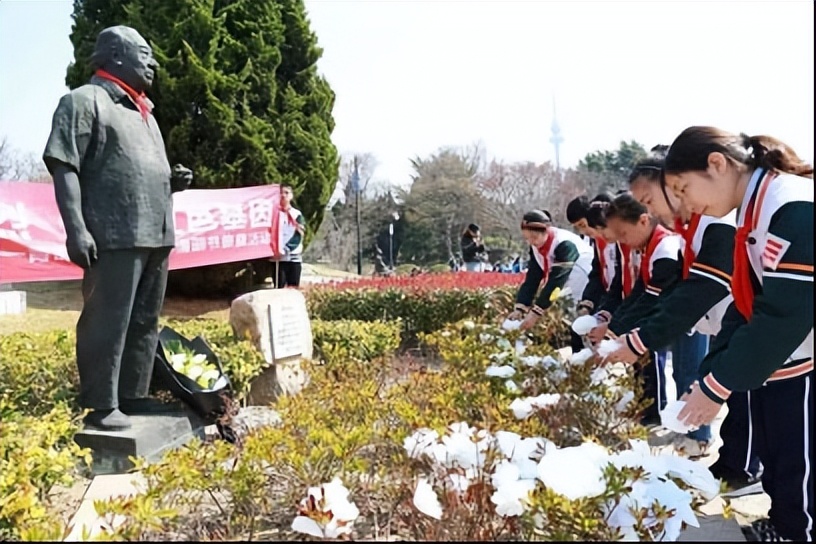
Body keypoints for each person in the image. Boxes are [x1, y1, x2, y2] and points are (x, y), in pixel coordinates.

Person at [663, 126, 813, 542]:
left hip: (799, 353)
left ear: (717, 164)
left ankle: (799, 532)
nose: (685, 205)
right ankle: (784, 524)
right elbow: (746, 304)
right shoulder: (756, 210)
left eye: (683, 189)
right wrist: (709, 379)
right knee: (776, 451)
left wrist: (716, 385)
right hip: (786, 356)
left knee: (797, 460)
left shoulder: (791, 205)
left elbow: (783, 316)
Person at [42, 26, 193, 431]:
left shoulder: (145, 114)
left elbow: (136, 169)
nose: (153, 62)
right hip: (113, 234)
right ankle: (101, 404)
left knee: (144, 320)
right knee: (107, 320)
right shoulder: (83, 101)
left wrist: (171, 181)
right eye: (144, 53)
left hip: (155, 232)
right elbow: (64, 165)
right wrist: (76, 229)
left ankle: (132, 395)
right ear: (115, 55)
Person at [602, 149, 762, 477]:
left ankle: (744, 470)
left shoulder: (715, 219)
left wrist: (638, 339)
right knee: (735, 398)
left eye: (649, 200)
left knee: (754, 405)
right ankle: (737, 464)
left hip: (762, 329)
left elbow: (703, 288)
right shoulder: (693, 226)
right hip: (729, 324)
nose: (650, 212)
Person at [587, 194, 684, 425]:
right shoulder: (648, 248)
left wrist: (612, 333)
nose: (624, 241)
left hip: (687, 319)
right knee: (652, 365)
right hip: (671, 317)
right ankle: (655, 416)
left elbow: (650, 298)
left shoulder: (665, 247)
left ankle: (685, 429)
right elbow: (639, 294)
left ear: (643, 221)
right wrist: (612, 329)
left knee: (684, 373)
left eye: (623, 234)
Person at [507, 209, 594, 353]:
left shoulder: (564, 244)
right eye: (527, 238)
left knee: (583, 328)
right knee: (572, 328)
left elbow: (556, 281)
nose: (531, 242)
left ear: (546, 231)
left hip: (584, 284)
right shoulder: (536, 246)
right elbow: (533, 276)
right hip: (567, 288)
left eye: (534, 237)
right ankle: (578, 360)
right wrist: (521, 307)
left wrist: (536, 312)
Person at [272, 185, 306, 288]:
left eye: (286, 193)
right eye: (281, 193)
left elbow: (298, 235)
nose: (283, 195)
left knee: (293, 288)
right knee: (279, 288)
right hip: (278, 259)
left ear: (291, 196)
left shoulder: (297, 214)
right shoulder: (273, 214)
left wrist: (287, 248)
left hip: (293, 257)